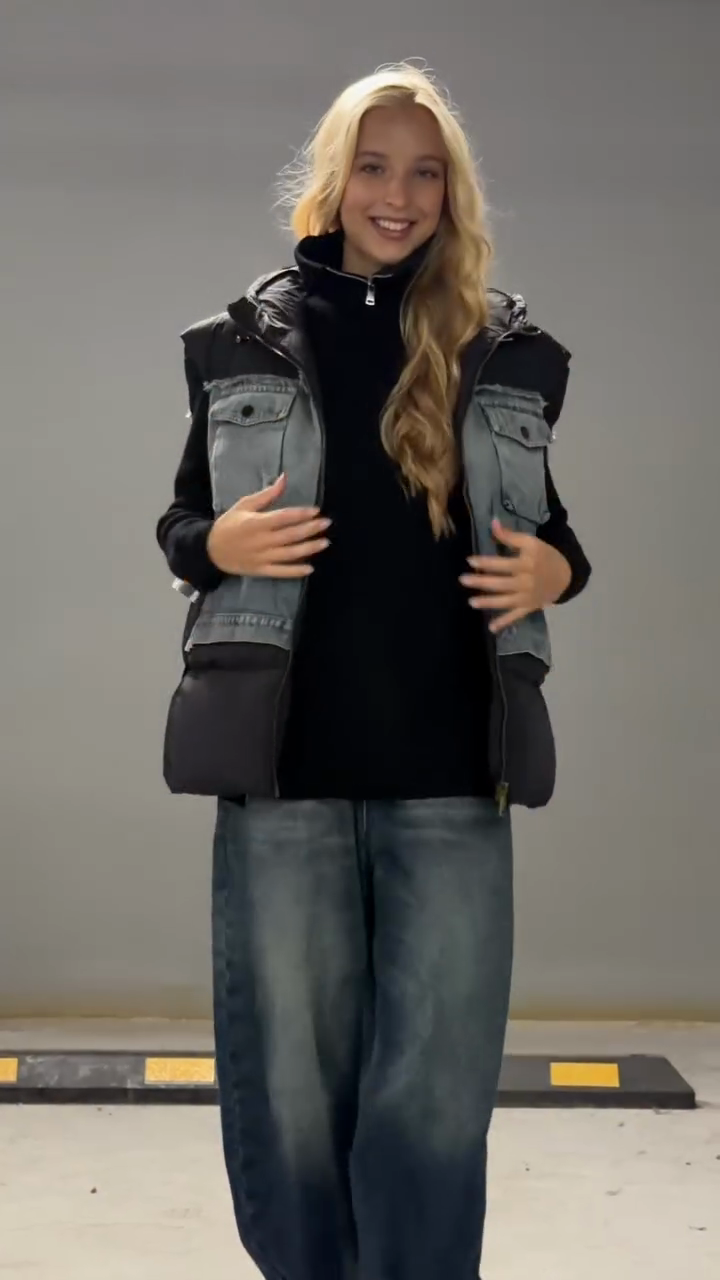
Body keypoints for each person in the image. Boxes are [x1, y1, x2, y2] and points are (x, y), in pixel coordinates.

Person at [156, 62, 591, 1280]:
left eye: (425, 172)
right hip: (285, 774)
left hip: (451, 773)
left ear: (452, 193)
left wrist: (554, 571)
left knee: (434, 1094)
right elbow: (183, 523)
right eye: (374, 166)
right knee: (290, 1087)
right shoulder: (238, 345)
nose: (397, 195)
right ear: (333, 179)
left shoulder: (506, 352)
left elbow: (560, 539)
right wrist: (216, 545)